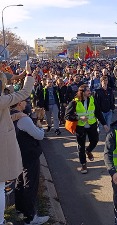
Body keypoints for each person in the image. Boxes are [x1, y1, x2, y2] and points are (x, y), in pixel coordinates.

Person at [0, 63, 34, 225]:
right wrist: (28, 74)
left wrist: (14, 117)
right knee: (0, 186)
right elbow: (25, 92)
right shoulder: (2, 100)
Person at [11, 99, 49, 225]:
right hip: (29, 155)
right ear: (19, 104)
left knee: (20, 182)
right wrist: (39, 124)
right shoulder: (23, 119)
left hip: (18, 154)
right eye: (25, 102)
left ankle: (20, 210)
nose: (27, 104)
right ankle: (31, 216)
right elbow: (39, 135)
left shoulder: (9, 115)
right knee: (30, 185)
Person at [65, 84, 109, 174]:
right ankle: (83, 164)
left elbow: (98, 112)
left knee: (95, 140)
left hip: (92, 125)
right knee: (81, 146)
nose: (90, 92)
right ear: (82, 92)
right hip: (80, 127)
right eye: (88, 90)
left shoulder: (92, 99)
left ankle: (88, 150)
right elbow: (67, 116)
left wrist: (104, 124)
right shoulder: (74, 102)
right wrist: (79, 118)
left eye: (89, 90)